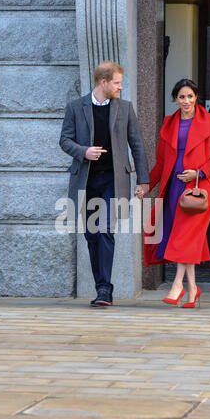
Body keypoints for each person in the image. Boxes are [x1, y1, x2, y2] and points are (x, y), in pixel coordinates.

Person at [60, 61, 150, 307]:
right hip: (86, 181)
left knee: (105, 229)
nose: (120, 87)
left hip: (113, 179)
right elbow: (64, 140)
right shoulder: (76, 107)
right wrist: (83, 151)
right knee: (91, 235)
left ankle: (104, 289)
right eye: (117, 82)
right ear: (104, 82)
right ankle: (101, 286)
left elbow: (137, 145)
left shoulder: (125, 108)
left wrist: (143, 180)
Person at [143, 79, 210, 308]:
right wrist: (146, 185)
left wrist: (200, 173)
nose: (186, 101)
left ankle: (177, 285)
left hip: (201, 190)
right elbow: (161, 163)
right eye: (182, 97)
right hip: (176, 188)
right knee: (187, 237)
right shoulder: (168, 123)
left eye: (190, 96)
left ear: (197, 97)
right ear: (175, 99)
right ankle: (193, 289)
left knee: (185, 235)